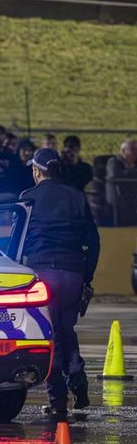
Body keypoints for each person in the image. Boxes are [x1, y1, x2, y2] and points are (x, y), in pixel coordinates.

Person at [20, 149, 100, 419]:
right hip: (73, 273)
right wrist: (86, 276)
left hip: (43, 273)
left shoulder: (28, 198)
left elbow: (19, 244)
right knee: (66, 329)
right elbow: (94, 241)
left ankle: (58, 401)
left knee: (49, 337)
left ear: (37, 171)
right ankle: (79, 384)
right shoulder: (77, 196)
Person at [106, 139, 137, 226]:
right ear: (123, 151)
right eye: (132, 149)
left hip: (133, 203)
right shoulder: (113, 162)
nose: (136, 152)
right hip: (118, 206)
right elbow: (115, 176)